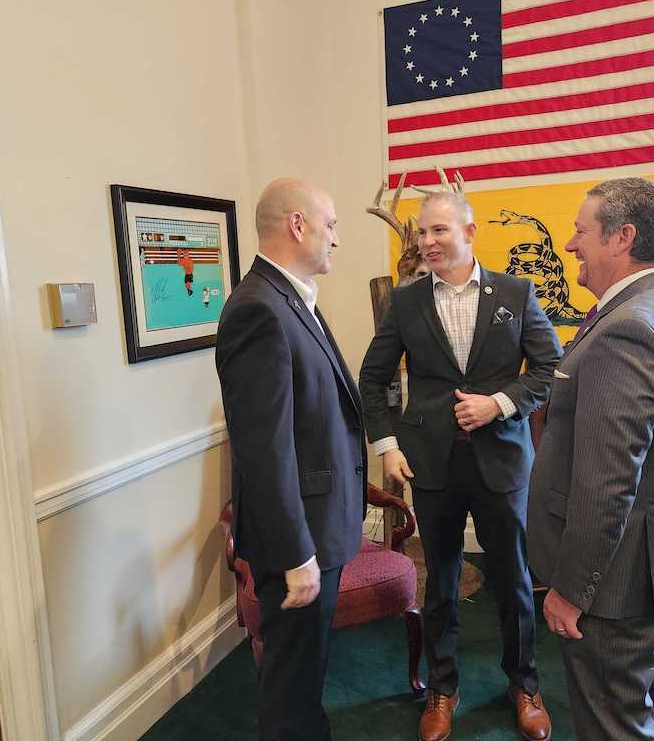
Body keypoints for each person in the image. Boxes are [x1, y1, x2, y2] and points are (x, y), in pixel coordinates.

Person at [359, 191, 562, 741]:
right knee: (442, 583)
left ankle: (524, 685)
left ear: (469, 232)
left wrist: (497, 404)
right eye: (423, 233)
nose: (428, 242)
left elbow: (549, 365)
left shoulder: (516, 292)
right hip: (431, 466)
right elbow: (372, 379)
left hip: (502, 462)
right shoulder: (405, 303)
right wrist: (387, 447)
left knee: (514, 581)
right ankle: (442, 691)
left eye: (439, 231)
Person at [527, 177, 654, 741]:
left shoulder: (627, 330)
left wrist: (570, 591)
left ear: (621, 237)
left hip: (615, 583)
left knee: (614, 723)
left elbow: (608, 485)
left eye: (581, 231)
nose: (571, 244)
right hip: (648, 568)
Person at [215, 178, 365, 741]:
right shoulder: (258, 308)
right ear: (297, 225)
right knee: (290, 686)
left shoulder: (289, 296)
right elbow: (264, 446)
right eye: (330, 225)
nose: (336, 239)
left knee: (307, 676)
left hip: (318, 524)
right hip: (299, 536)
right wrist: (295, 551)